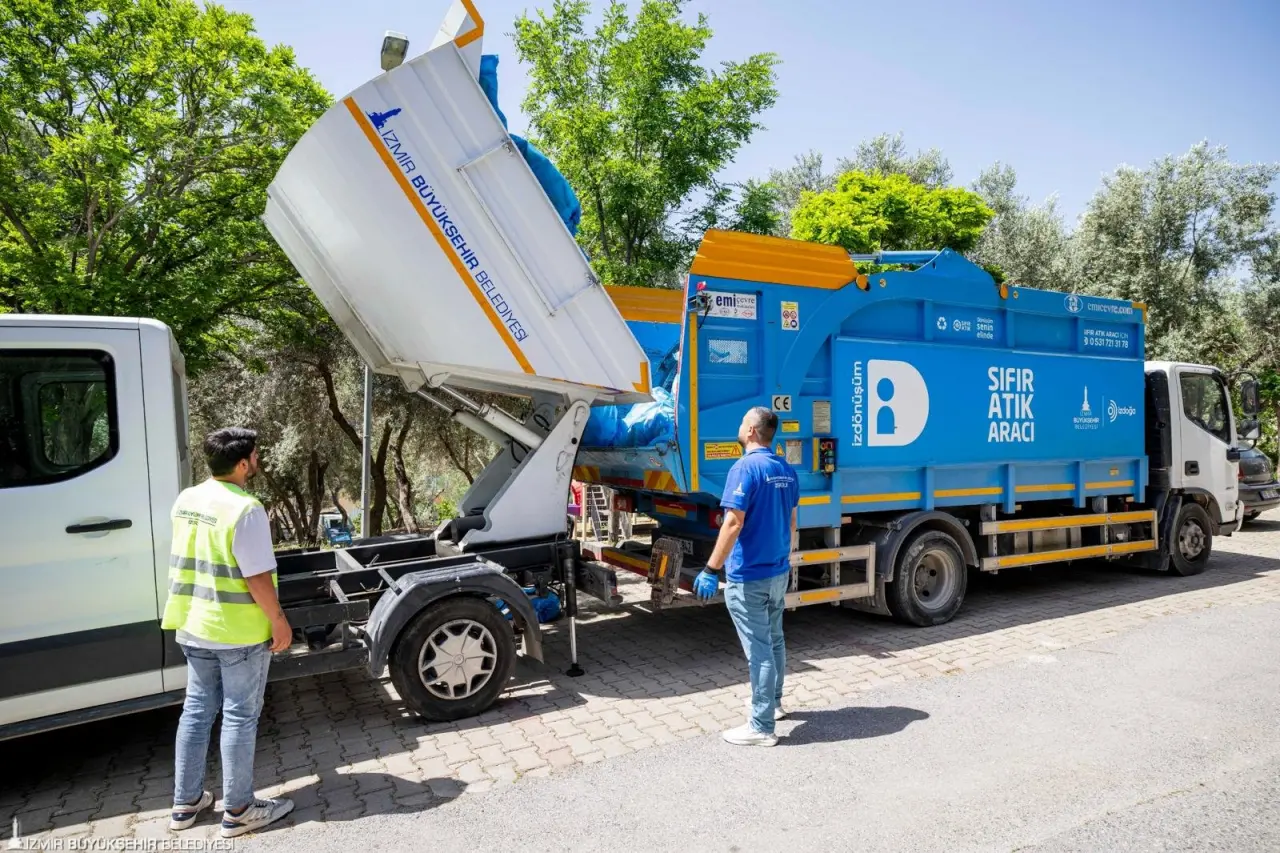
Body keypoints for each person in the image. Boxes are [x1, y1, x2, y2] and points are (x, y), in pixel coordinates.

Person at [163, 427, 295, 838]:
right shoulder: (246, 509)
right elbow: (256, 577)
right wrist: (279, 620)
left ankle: (185, 803)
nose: (257, 461)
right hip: (237, 631)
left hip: (193, 623)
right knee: (240, 715)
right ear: (242, 463)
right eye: (254, 456)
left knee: (196, 712)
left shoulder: (187, 499)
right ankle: (239, 810)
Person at [693, 407, 799, 747]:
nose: (739, 426)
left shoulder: (744, 468)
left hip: (749, 575)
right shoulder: (785, 469)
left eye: (742, 422)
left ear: (751, 430)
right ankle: (773, 704)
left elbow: (733, 523)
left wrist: (711, 569)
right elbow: (792, 521)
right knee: (775, 639)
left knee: (760, 650)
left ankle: (761, 726)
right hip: (777, 571)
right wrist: (783, 559)